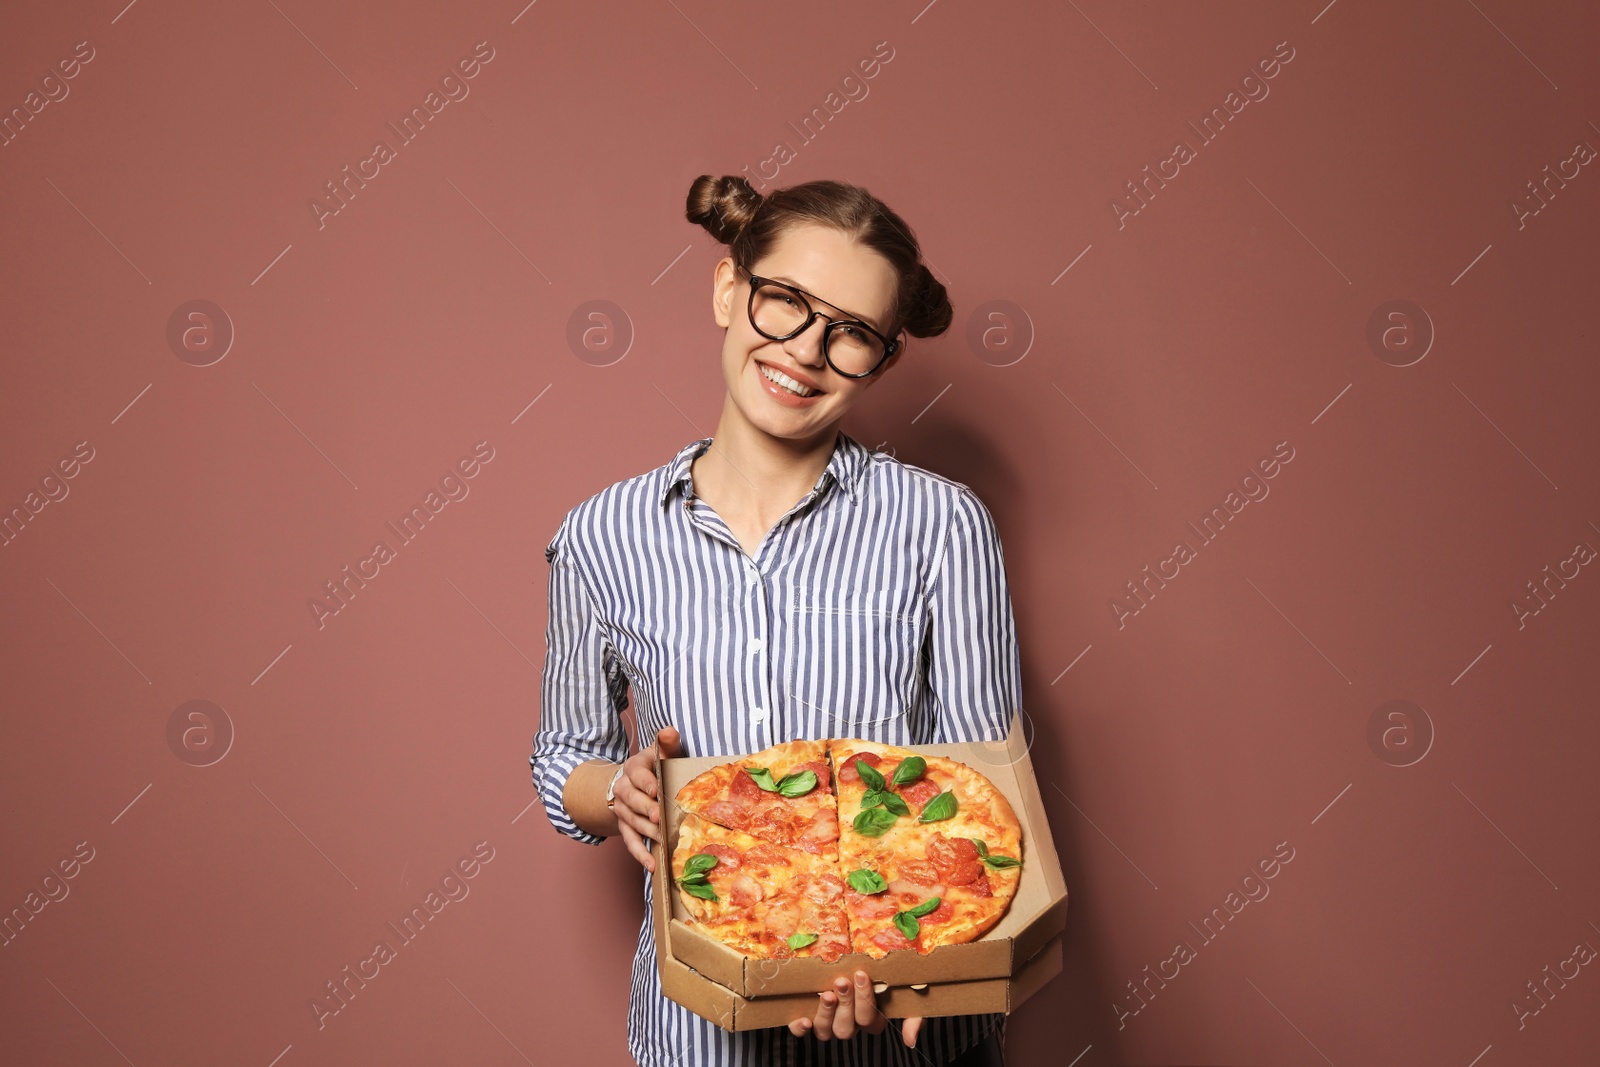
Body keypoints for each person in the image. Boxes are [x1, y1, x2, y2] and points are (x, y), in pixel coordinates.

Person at [530, 173, 1022, 1067]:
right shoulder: (602, 533)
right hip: (700, 1033)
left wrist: (907, 963)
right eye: (786, 302)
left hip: (904, 1029)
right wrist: (623, 794)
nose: (806, 349)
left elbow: (984, 788)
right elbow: (564, 753)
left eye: (853, 334)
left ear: (883, 359)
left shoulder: (943, 525)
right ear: (730, 289)